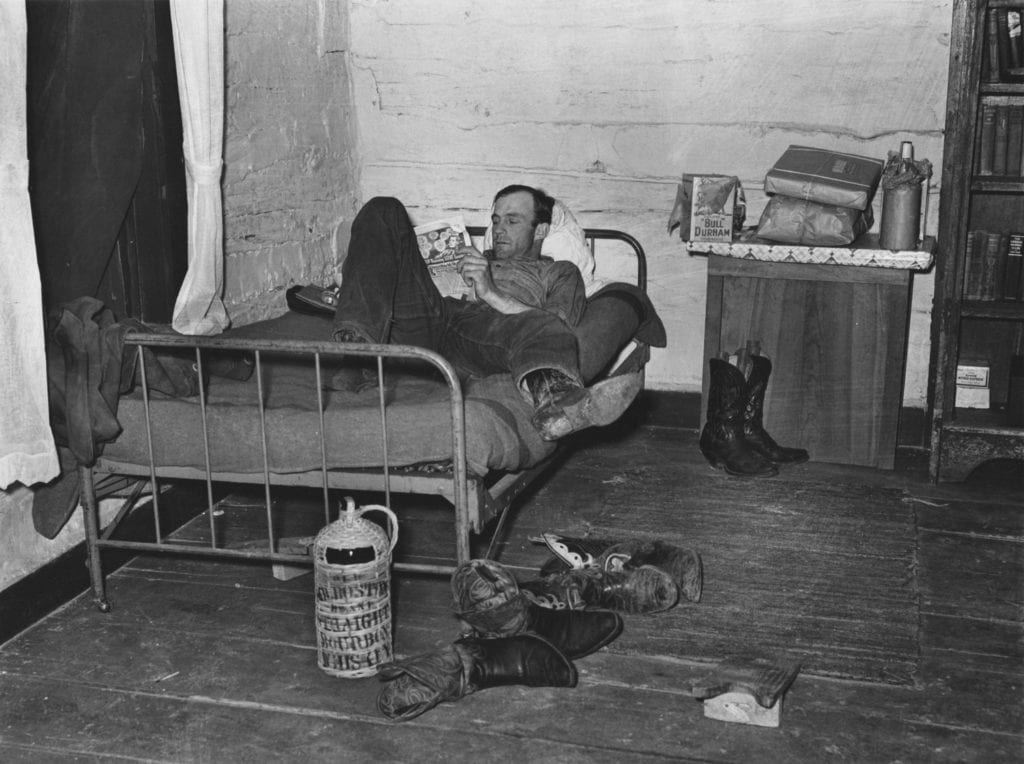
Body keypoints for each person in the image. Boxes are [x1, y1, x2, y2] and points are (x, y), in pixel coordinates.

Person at [332, 185, 646, 441]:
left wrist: (489, 291)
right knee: (384, 208)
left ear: (541, 231)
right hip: (434, 318)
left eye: (512, 220)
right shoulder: (473, 254)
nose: (498, 229)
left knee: (544, 327)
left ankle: (557, 405)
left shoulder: (559, 272)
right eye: (495, 220)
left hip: (485, 334)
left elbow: (557, 325)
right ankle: (356, 347)